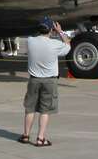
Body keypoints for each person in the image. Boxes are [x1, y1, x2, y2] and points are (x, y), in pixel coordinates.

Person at [19, 19, 71, 147]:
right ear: (51, 30)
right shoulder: (55, 44)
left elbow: (34, 36)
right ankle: (40, 138)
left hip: (33, 79)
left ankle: (26, 135)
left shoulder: (30, 41)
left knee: (30, 108)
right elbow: (68, 45)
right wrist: (60, 31)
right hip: (49, 80)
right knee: (45, 110)